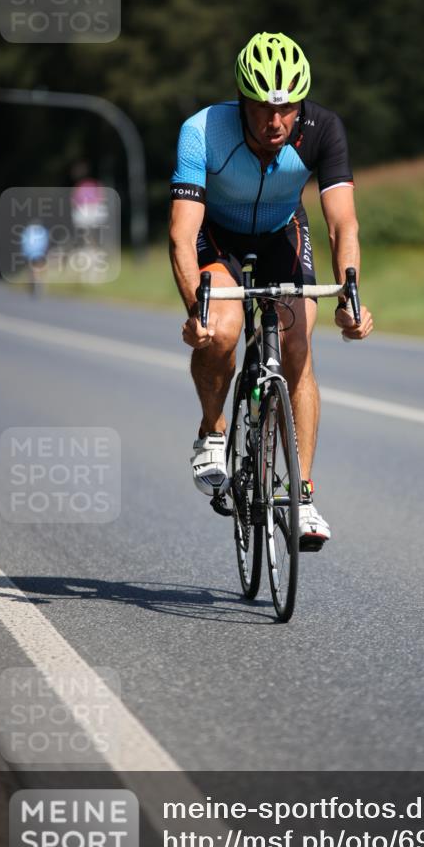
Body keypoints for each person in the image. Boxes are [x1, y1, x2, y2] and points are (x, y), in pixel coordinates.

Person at [169, 31, 373, 549]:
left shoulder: (324, 129)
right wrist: (196, 311)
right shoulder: (202, 131)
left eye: (287, 108)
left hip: (283, 233)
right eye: (262, 107)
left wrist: (349, 298)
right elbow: (180, 235)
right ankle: (213, 430)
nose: (275, 121)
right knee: (221, 331)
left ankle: (301, 496)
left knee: (297, 346)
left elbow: (342, 224)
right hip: (218, 236)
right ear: (242, 99)